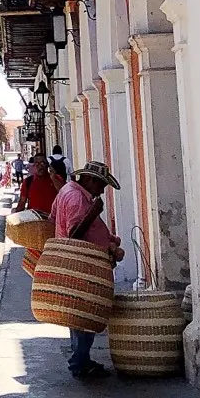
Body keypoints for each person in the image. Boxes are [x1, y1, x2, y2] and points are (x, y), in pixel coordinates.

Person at [51, 160, 124, 380]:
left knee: (78, 315)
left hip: (77, 264)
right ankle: (80, 363)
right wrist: (94, 213)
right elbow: (75, 235)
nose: (102, 190)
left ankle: (81, 359)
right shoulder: (76, 198)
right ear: (90, 180)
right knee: (86, 314)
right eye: (101, 185)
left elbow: (52, 218)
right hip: (83, 265)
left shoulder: (68, 191)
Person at [16, 153, 58, 219]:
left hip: (53, 222)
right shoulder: (28, 181)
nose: (40, 166)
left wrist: (54, 179)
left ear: (47, 165)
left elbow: (63, 193)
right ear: (34, 166)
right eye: (37, 163)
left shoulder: (55, 178)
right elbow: (22, 203)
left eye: (42, 163)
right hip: (34, 222)